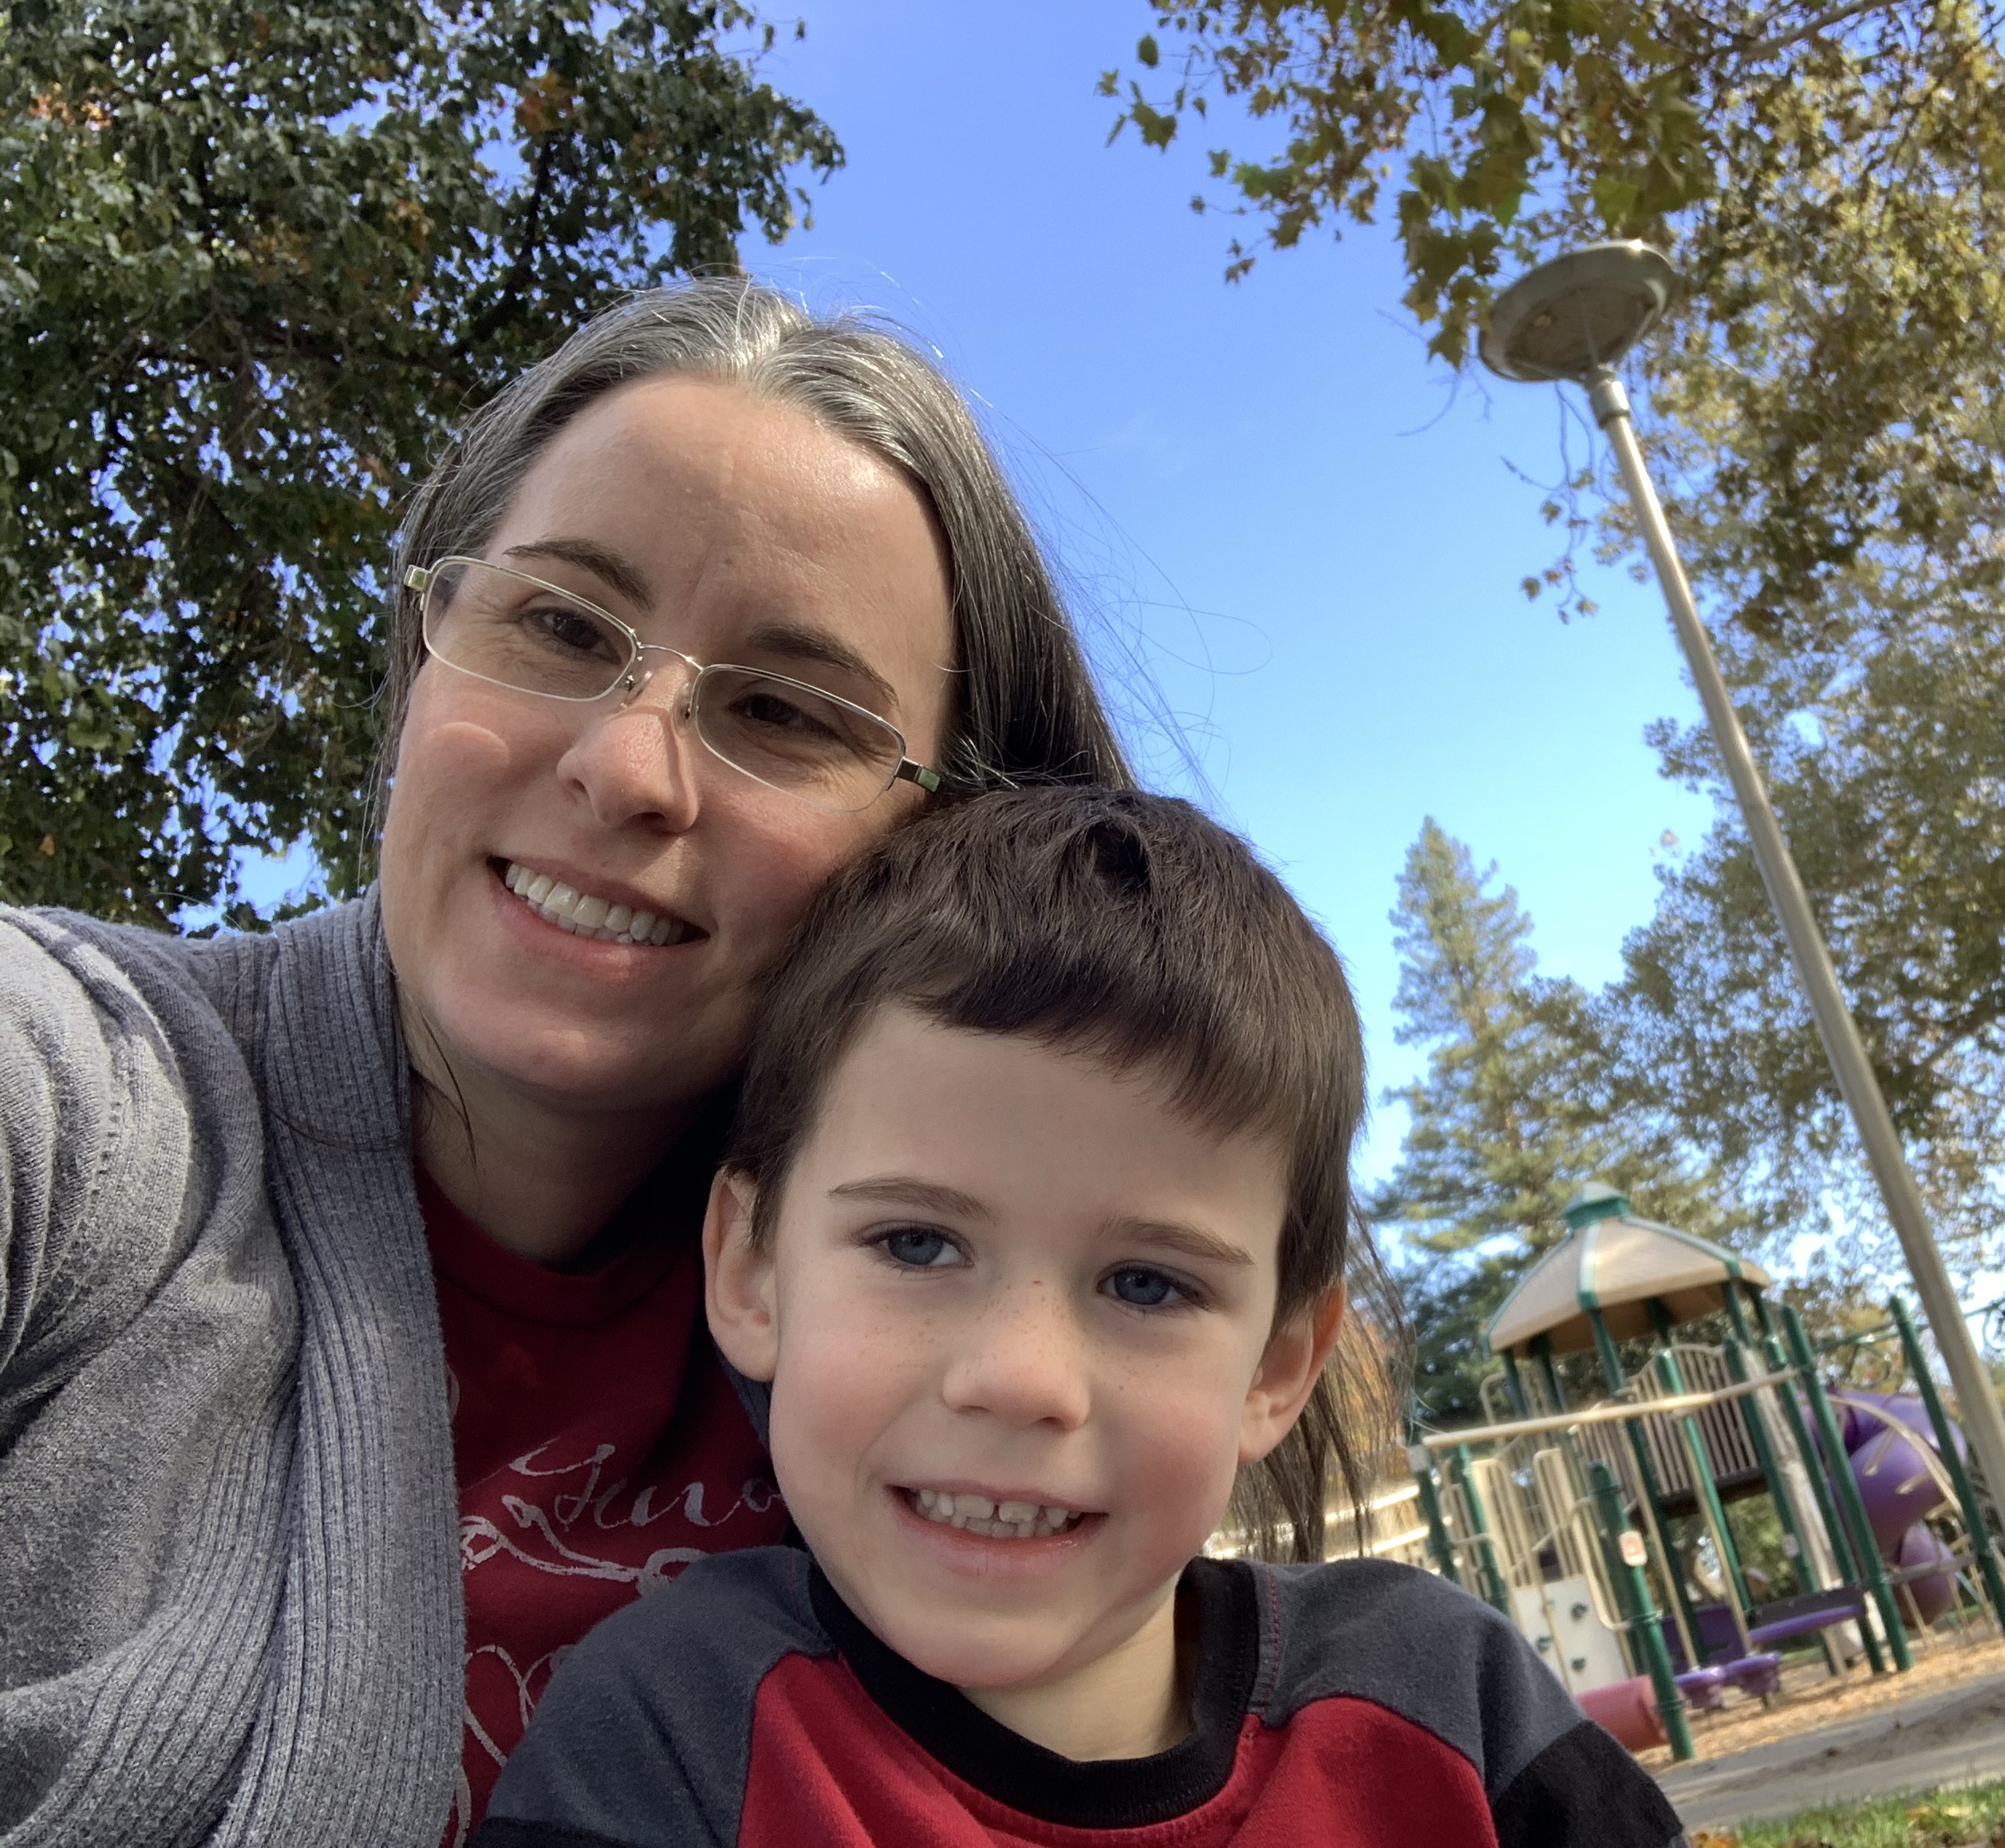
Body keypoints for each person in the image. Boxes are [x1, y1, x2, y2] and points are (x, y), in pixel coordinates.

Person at [0, 280, 1128, 1848]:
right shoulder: (84, 1089)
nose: (625, 766)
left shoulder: (982, 1347)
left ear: (937, 851)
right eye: (559, 627)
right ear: (424, 652)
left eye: (784, 712)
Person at [471, 787, 1686, 1848]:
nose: (1020, 1377)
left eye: (1147, 1284)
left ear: (1276, 1367)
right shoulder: (674, 1730)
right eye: (915, 1243)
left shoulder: (1448, 1707)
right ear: (751, 1270)